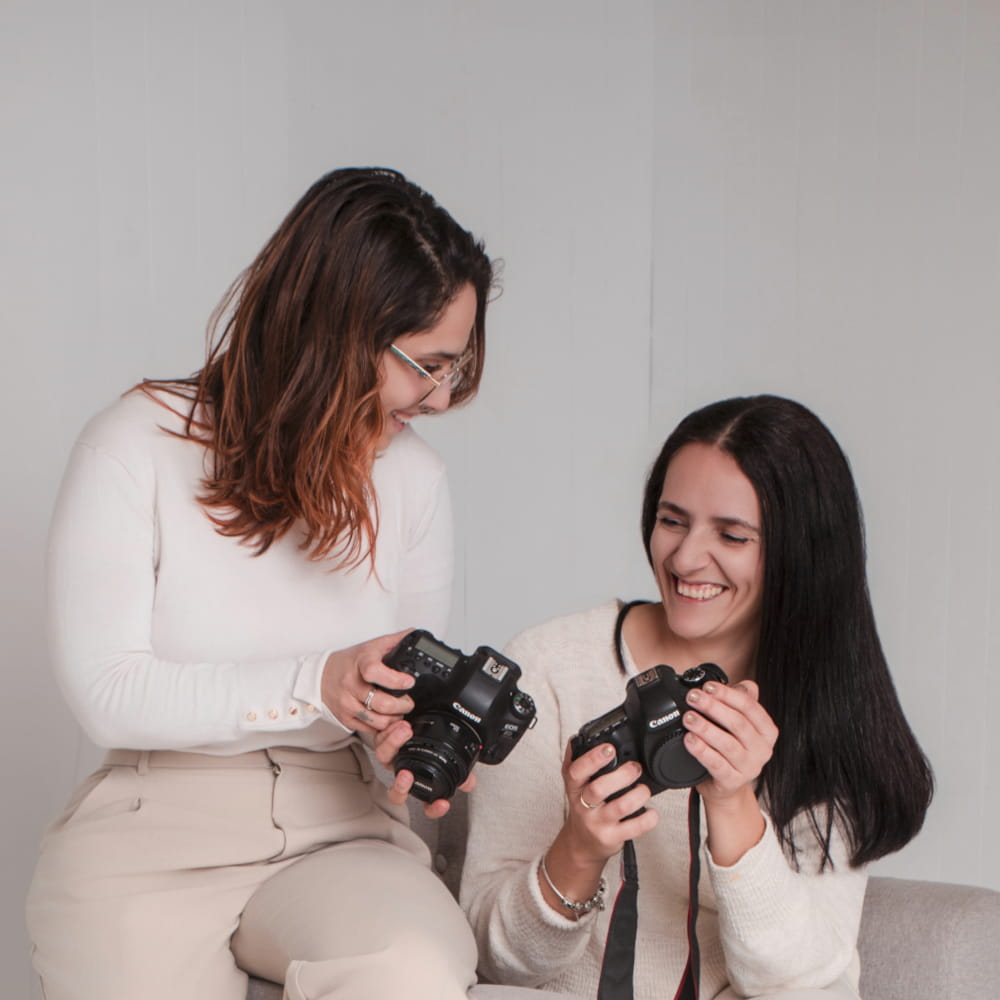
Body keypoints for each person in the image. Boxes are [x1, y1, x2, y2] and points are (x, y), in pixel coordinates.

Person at [27, 167, 495, 1000]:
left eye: (454, 368)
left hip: (343, 830)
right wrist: (316, 682)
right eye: (425, 366)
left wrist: (414, 737)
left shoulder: (415, 479)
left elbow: (397, 686)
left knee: (413, 972)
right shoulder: (136, 443)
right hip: (152, 833)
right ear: (337, 333)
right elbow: (108, 694)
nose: (439, 397)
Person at [460, 394, 933, 1000]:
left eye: (732, 535)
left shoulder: (829, 709)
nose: (684, 558)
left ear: (802, 552)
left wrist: (734, 804)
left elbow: (801, 981)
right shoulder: (552, 668)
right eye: (672, 521)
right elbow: (497, 961)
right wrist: (579, 849)